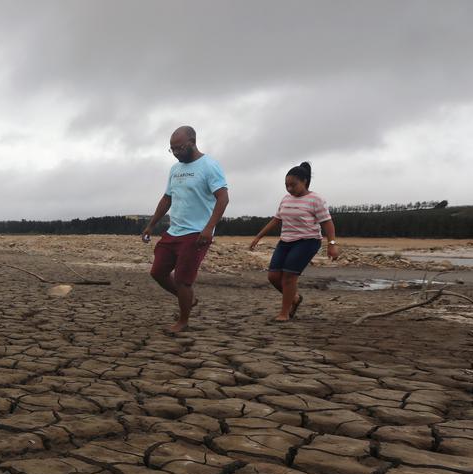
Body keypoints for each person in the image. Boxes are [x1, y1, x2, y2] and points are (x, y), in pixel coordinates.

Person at [140, 126, 229, 333]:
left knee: (183, 279)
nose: (176, 153)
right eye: (172, 149)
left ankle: (183, 321)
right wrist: (151, 225)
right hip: (174, 231)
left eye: (179, 148)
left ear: (192, 142)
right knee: (158, 272)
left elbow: (223, 198)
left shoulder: (209, 166)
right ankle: (189, 300)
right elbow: (167, 198)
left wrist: (209, 228)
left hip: (196, 233)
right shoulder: (175, 169)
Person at [247, 162, 340, 321]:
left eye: (293, 185)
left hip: (307, 241)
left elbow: (327, 223)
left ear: (304, 181)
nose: (289, 189)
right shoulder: (286, 199)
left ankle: (284, 313)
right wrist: (258, 237)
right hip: (285, 241)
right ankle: (295, 298)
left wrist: (332, 245)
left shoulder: (315, 199)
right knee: (273, 276)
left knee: (289, 277)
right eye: (286, 185)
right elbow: (276, 220)